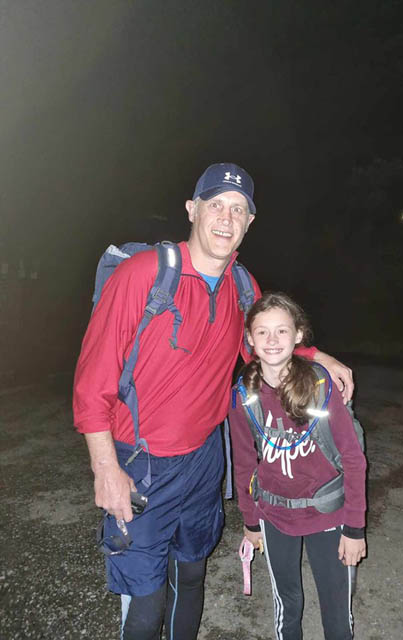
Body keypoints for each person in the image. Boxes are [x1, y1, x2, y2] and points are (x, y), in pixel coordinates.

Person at [73, 162, 354, 640]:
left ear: (249, 222)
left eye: (238, 209)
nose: (226, 218)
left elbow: (262, 348)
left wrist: (317, 355)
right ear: (192, 209)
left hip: (204, 459)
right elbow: (91, 382)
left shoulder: (243, 288)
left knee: (192, 573)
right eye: (216, 205)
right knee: (145, 602)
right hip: (141, 463)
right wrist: (105, 469)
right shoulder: (142, 276)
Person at [229, 292, 367, 640]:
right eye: (262, 332)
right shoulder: (243, 395)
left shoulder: (321, 384)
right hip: (274, 515)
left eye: (282, 331)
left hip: (327, 514)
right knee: (286, 604)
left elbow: (353, 458)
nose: (272, 340)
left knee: (336, 609)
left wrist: (354, 528)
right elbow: (244, 464)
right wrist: (250, 522)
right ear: (249, 339)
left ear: (298, 336)